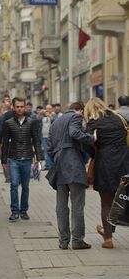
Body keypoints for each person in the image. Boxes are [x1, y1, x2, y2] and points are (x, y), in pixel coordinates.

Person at [47, 102, 96, 250]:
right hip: (73, 165)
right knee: (77, 204)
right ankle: (77, 240)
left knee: (61, 205)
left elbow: (49, 147)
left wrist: (57, 157)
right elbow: (74, 133)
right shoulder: (76, 117)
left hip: (58, 166)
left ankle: (63, 240)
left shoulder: (55, 122)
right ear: (80, 110)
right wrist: (91, 138)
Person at [84, 97, 129, 249]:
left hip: (104, 164)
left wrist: (93, 154)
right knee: (123, 198)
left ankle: (108, 238)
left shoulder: (94, 123)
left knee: (106, 202)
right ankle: (108, 230)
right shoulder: (119, 118)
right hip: (124, 162)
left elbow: (88, 142)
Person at [1, 97, 43, 221]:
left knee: (25, 186)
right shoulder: (8, 123)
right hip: (13, 158)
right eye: (17, 106)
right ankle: (14, 211)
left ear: (25, 107)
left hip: (27, 158)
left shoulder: (32, 122)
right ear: (13, 107)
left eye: (21, 106)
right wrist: (3, 160)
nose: (19, 109)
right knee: (14, 184)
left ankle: (23, 211)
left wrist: (39, 158)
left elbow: (36, 140)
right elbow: (5, 143)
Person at [41, 104, 55, 170]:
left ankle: (51, 165)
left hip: (51, 136)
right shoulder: (42, 116)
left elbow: (55, 121)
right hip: (44, 136)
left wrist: (49, 116)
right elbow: (36, 119)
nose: (48, 110)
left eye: (49, 108)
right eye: (46, 108)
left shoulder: (53, 115)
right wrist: (40, 113)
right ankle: (48, 165)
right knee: (45, 151)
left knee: (51, 151)